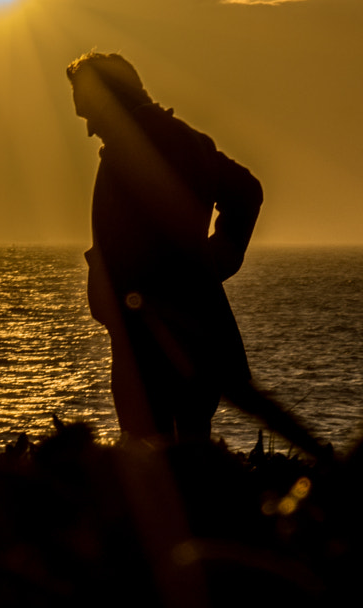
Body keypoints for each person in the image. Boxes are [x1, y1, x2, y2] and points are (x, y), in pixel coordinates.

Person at [67, 52, 262, 444]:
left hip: (155, 341)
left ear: (108, 98)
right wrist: (214, 259)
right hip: (174, 332)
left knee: (157, 453)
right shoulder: (181, 140)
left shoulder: (142, 145)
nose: (88, 129)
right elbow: (245, 190)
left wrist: (216, 258)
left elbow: (241, 194)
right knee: (185, 450)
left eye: (87, 112)